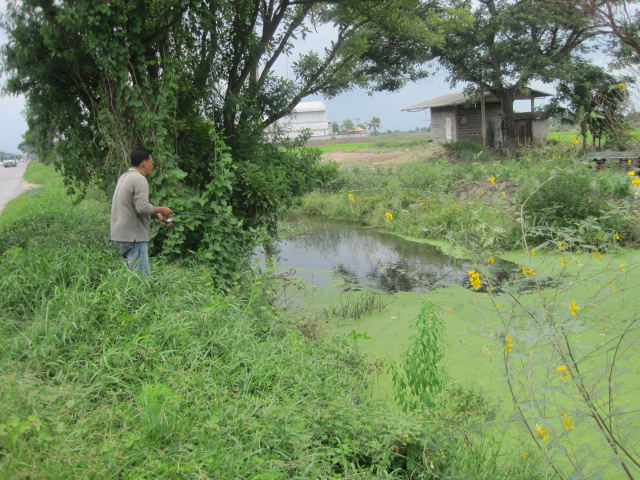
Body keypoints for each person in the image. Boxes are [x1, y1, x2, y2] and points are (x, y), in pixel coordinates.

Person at [110, 147, 173, 274]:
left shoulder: (124, 177)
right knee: (141, 279)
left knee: (129, 277)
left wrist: (158, 215)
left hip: (121, 235)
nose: (152, 165)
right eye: (151, 162)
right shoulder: (139, 179)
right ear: (144, 163)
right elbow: (142, 208)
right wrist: (162, 209)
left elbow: (132, 208)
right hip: (134, 237)